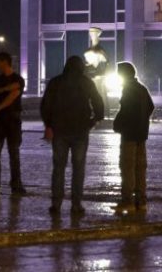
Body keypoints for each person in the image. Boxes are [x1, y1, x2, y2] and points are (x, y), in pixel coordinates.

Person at [40, 56, 104, 216]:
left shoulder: (55, 82)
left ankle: (56, 203)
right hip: (80, 131)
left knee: (58, 168)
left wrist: (48, 125)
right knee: (78, 168)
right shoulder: (86, 82)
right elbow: (98, 103)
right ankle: (76, 204)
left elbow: (45, 105)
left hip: (59, 131)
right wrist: (94, 120)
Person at [112, 62, 154, 213]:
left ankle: (127, 201)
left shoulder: (128, 90)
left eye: (119, 73)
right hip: (141, 135)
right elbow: (151, 106)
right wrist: (142, 122)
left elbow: (125, 111)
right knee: (140, 168)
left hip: (129, 134)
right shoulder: (142, 89)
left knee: (127, 167)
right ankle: (141, 201)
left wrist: (118, 124)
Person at [0, 52, 26, 195]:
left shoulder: (18, 79)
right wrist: (5, 88)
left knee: (14, 153)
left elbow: (12, 97)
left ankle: (16, 184)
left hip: (12, 120)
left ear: (4, 62)